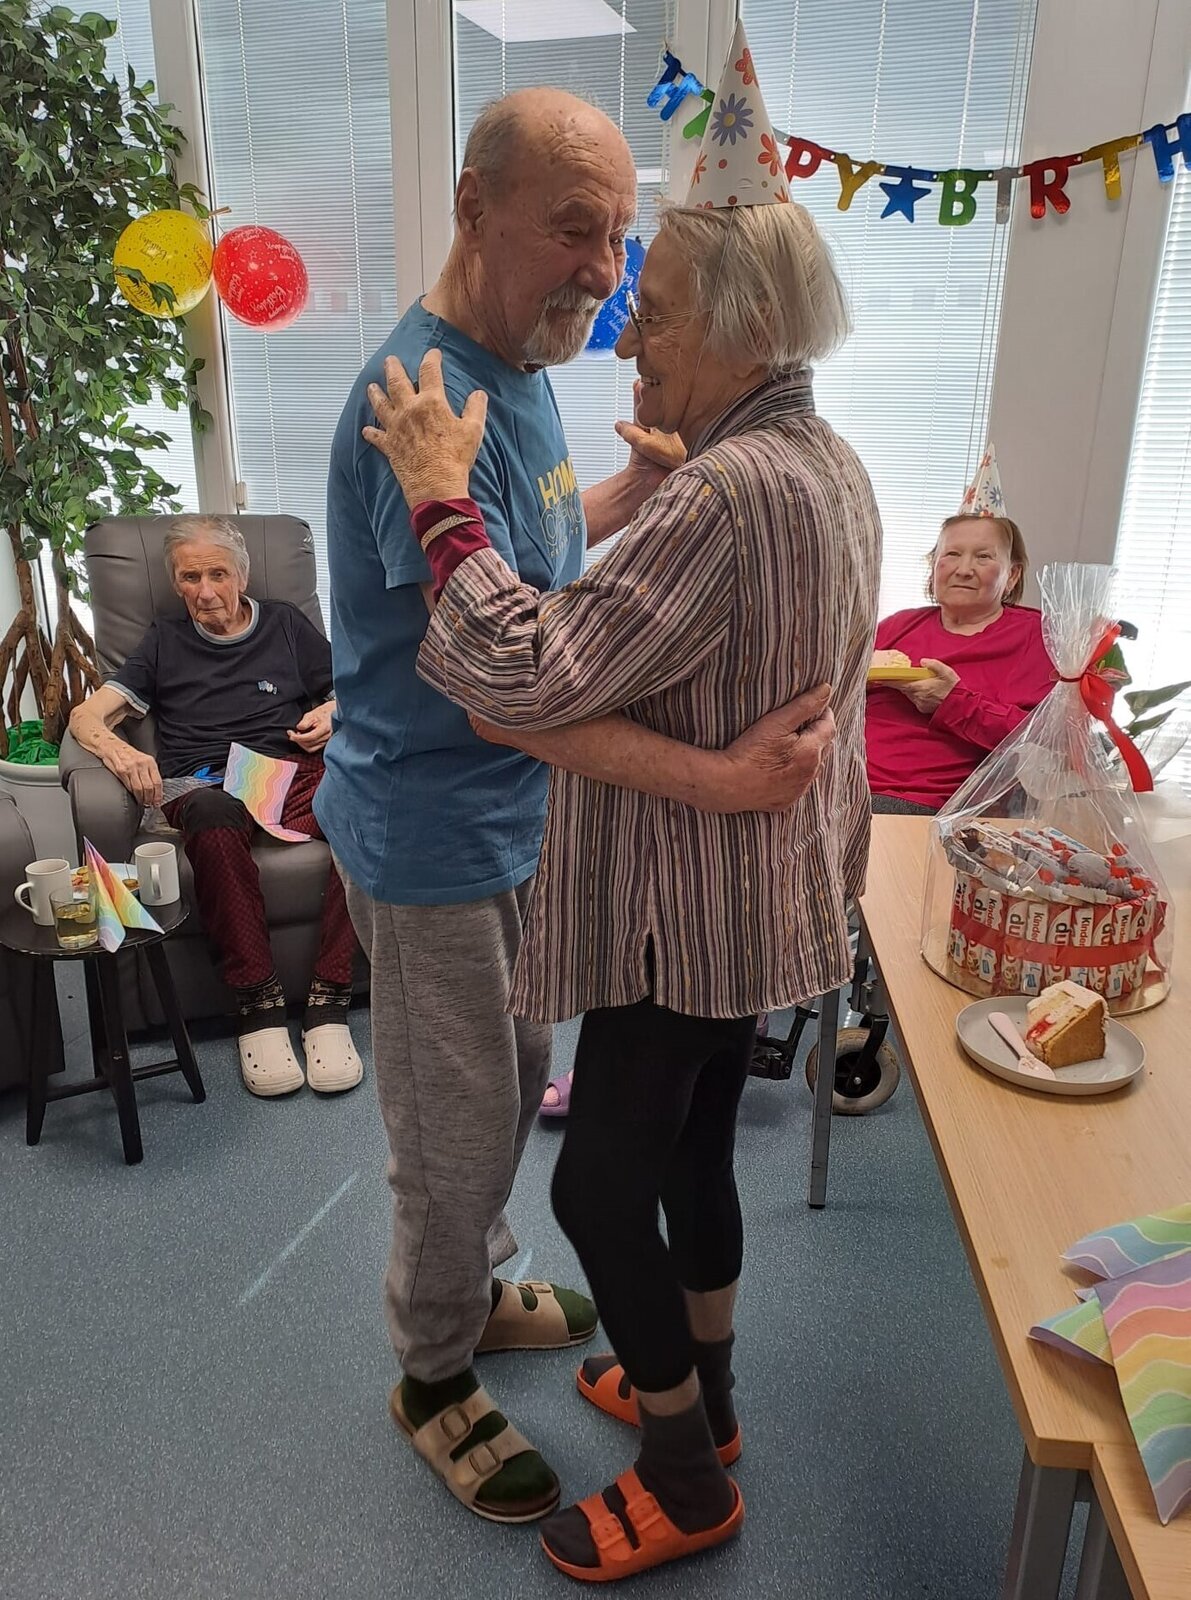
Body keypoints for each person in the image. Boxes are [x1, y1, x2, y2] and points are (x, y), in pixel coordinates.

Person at [359, 28, 880, 1580]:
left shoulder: (725, 492)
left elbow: (519, 666)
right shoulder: (826, 458)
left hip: (684, 909)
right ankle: (705, 1395)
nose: (623, 336)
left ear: (732, 325)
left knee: (596, 1188)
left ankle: (683, 1474)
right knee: (696, 1155)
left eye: (649, 310)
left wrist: (441, 501)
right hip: (767, 894)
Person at [68, 514, 362, 1099]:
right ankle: (258, 1004)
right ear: (176, 583)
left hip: (288, 774)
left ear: (243, 576)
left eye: (217, 575)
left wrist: (334, 711)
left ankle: (330, 997)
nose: (204, 591)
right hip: (207, 783)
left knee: (365, 800)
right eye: (189, 577)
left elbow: (353, 686)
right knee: (210, 812)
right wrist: (122, 753)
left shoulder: (284, 625)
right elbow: (85, 715)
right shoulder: (163, 641)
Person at [866, 447, 1054, 815]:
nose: (963, 569)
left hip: (933, 808)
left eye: (983, 557)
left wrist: (952, 702)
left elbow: (1046, 743)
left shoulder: (1037, 637)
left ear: (1012, 575)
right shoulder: (898, 625)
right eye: (951, 554)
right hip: (839, 791)